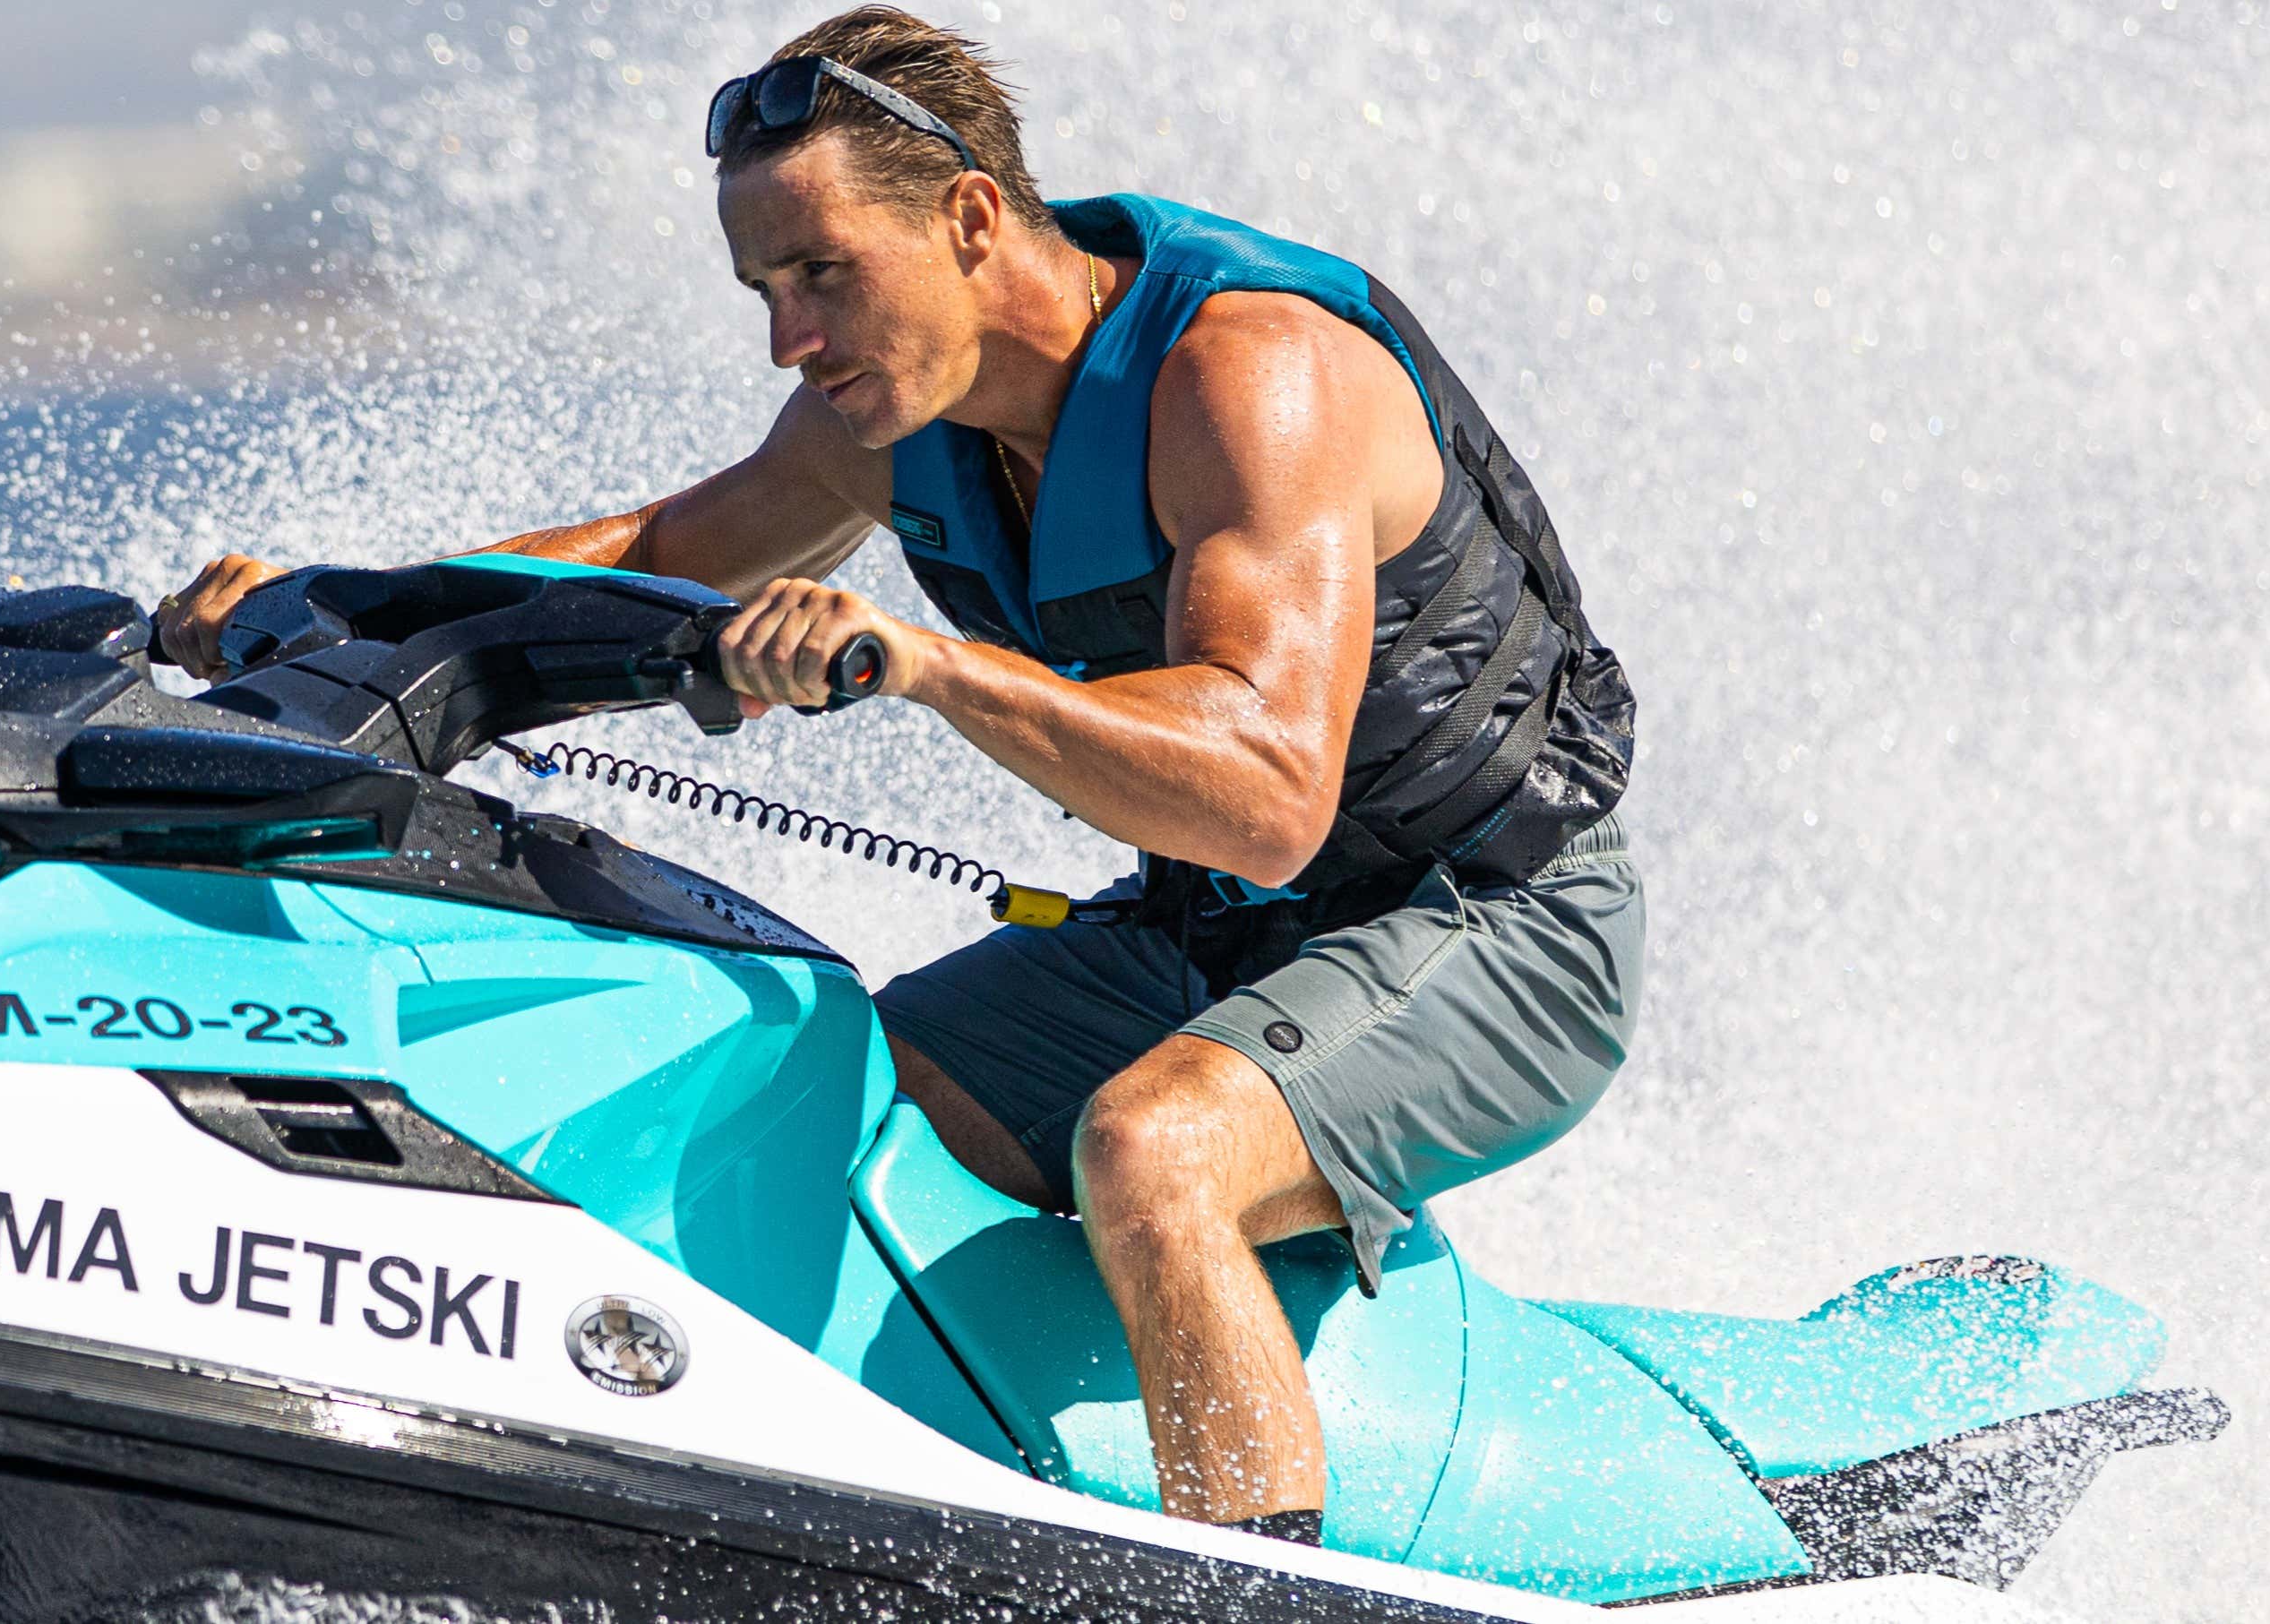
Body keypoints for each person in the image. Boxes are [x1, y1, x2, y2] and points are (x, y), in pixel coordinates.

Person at [153, 7, 1643, 1550]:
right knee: (833, 1098)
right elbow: (660, 557)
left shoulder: (1251, 378)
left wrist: (929, 665)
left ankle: (1255, 1570)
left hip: (1505, 922)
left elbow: (1268, 796)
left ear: (972, 217)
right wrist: (339, 616)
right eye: (765, 291)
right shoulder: (890, 423)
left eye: (821, 277)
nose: (788, 339)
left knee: (1155, 1148)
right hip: (1216, 934)